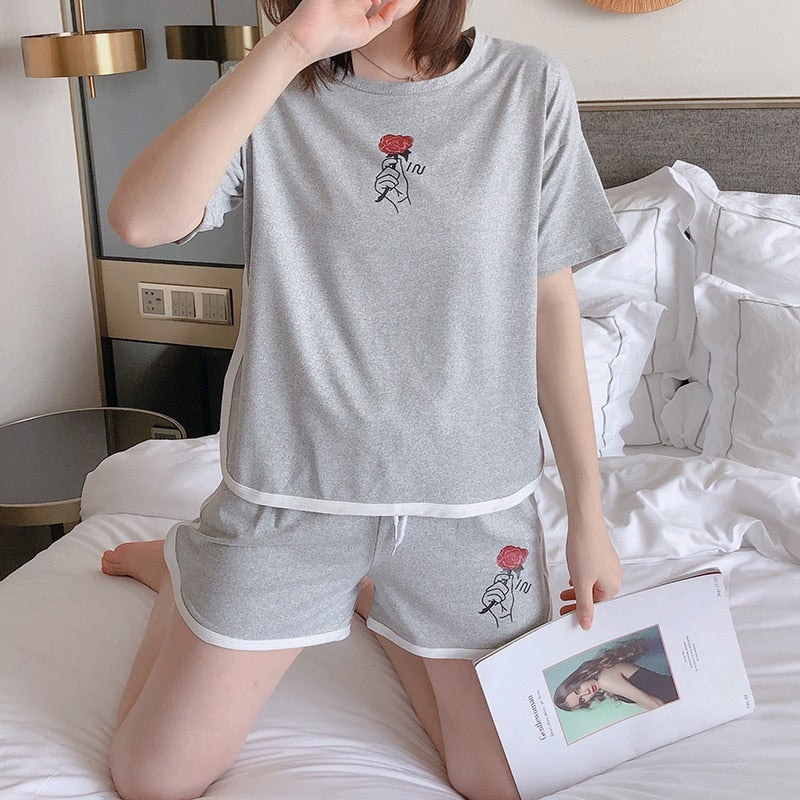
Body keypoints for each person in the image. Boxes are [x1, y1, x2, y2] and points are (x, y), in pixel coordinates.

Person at [103, 2, 626, 799]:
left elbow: (550, 304)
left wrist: (588, 516)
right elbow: (141, 219)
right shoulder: (272, 84)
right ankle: (188, 572)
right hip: (292, 497)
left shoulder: (528, 87)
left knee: (501, 781)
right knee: (152, 781)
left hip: (471, 510)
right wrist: (291, 45)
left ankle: (378, 601)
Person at [553, 637, 679, 712]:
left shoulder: (605, 680)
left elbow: (656, 704)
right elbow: (647, 704)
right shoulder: (605, 677)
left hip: (675, 694)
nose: (586, 693)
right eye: (582, 700)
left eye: (577, 690)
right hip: (676, 694)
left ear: (578, 678)